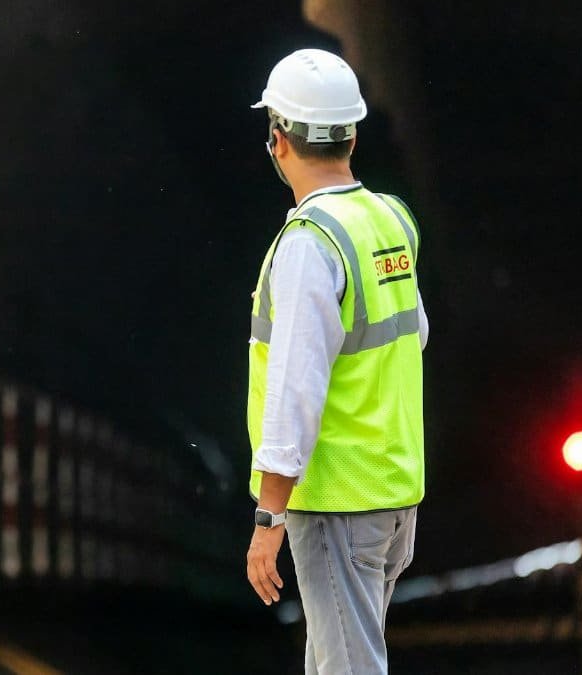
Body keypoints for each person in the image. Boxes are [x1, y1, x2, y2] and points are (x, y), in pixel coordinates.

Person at [243, 49, 429, 674]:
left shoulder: (310, 245)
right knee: (333, 662)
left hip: (336, 502)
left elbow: (294, 390)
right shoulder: (389, 222)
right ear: (352, 134)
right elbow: (415, 335)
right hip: (393, 491)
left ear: (278, 141)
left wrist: (270, 515)